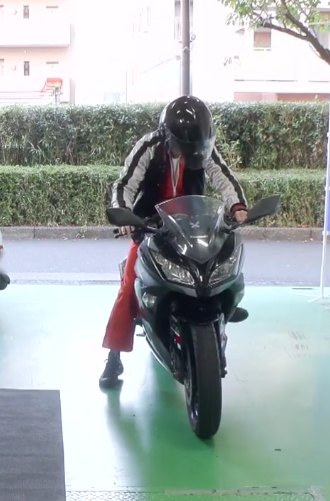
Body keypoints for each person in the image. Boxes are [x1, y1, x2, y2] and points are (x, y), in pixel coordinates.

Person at [99, 95, 250, 389]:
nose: (192, 151)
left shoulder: (202, 148)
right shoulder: (149, 146)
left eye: (197, 145)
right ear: (168, 135)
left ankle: (222, 313)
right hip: (151, 227)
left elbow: (223, 177)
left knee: (222, 271)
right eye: (185, 144)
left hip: (193, 225)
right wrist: (125, 213)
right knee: (130, 288)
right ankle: (114, 356)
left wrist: (237, 206)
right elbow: (125, 183)